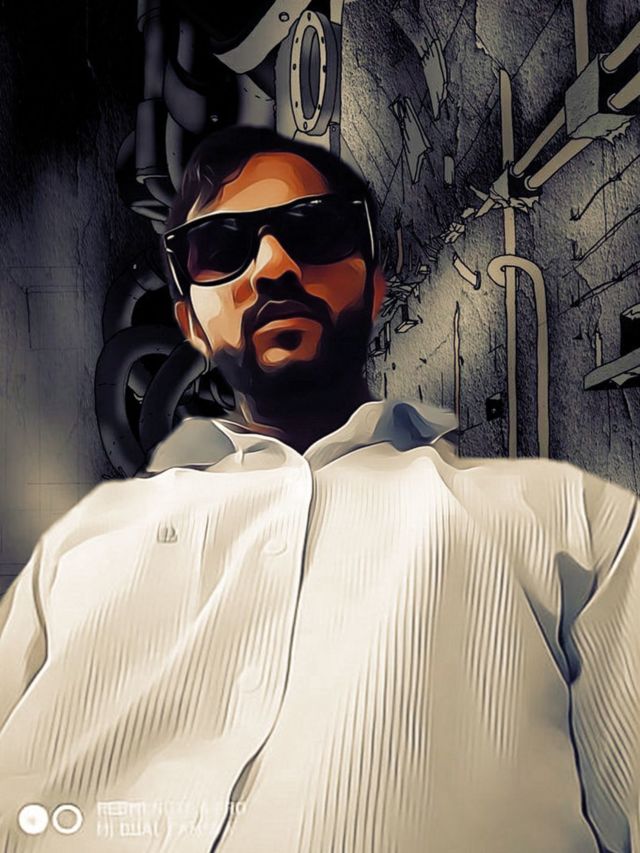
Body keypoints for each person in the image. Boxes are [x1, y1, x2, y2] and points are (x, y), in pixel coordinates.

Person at [0, 126, 639, 853]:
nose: (273, 265)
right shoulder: (77, 552)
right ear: (190, 325)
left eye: (316, 230)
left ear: (375, 286)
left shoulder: (575, 527)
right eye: (220, 248)